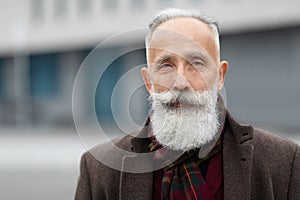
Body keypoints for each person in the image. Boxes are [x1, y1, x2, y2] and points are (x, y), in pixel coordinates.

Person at [75, 8, 300, 200]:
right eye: (166, 65)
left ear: (220, 76)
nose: (180, 82)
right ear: (148, 81)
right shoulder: (98, 169)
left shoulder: (284, 163)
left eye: (196, 63)